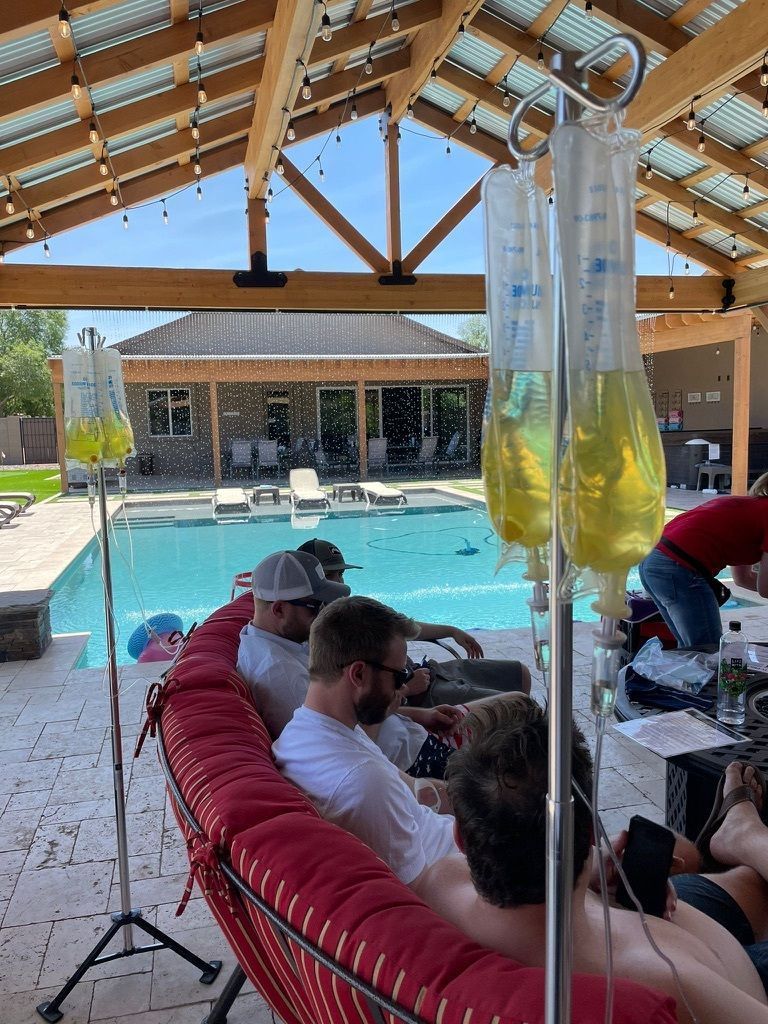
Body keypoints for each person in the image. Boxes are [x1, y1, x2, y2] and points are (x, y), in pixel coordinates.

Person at [419, 696, 768, 1024]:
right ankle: (748, 837)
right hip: (748, 979)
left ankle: (742, 838)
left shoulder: (440, 883)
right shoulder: (667, 982)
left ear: (461, 839)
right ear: (588, 832)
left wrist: (593, 875)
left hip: (663, 919)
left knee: (732, 875)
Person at [236, 551, 484, 779]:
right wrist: (403, 693)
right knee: (512, 728)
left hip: (411, 734)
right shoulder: (280, 675)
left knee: (513, 710)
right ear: (279, 609)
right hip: (408, 761)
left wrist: (419, 714)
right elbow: (347, 746)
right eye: (314, 606)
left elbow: (348, 716)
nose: (323, 612)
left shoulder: (277, 641)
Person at [272, 594, 462, 888]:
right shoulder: (361, 781)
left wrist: (489, 810)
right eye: (400, 676)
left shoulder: (312, 730)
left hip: (461, 838)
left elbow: (416, 790)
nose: (402, 688)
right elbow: (425, 893)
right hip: (472, 872)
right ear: (358, 673)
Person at [296, 537, 531, 705]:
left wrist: (451, 630)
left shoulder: (355, 607)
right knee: (519, 706)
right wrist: (407, 688)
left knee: (520, 673)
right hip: (417, 695)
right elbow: (353, 696)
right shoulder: (322, 635)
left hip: (429, 672)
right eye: (329, 576)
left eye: (341, 574)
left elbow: (403, 626)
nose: (340, 583)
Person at [638, 471, 768, 647]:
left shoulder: (750, 509)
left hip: (652, 561)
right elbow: (765, 588)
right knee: (707, 652)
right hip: (677, 566)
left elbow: (743, 579)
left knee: (690, 649)